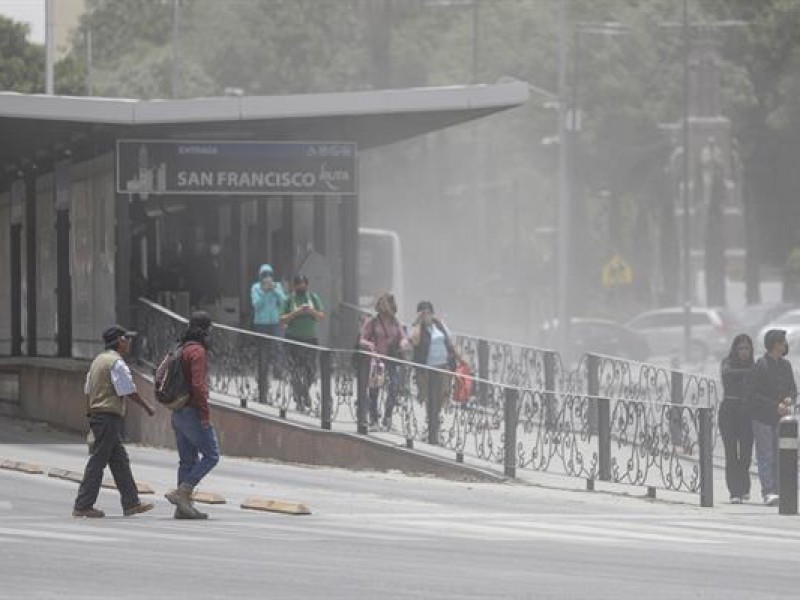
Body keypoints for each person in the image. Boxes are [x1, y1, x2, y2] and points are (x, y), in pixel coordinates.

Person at [73, 325, 156, 518]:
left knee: (119, 460)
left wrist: (91, 415)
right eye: (127, 339)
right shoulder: (115, 363)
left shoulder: (98, 361)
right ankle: (83, 505)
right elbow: (127, 389)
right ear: (120, 341)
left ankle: (131, 503)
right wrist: (147, 407)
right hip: (108, 416)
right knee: (98, 461)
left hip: (100, 416)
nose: (129, 343)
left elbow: (88, 389)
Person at [165, 311, 220, 520]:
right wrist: (205, 414)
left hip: (177, 411)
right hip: (192, 412)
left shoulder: (180, 348)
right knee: (211, 455)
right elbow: (198, 385)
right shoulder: (197, 351)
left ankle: (183, 508)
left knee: (187, 460)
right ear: (205, 330)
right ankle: (183, 492)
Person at [746, 329, 797, 506]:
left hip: (781, 419)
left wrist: (790, 398)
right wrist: (775, 406)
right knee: (765, 454)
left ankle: (780, 488)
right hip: (763, 418)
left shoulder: (785, 365)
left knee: (781, 454)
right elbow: (753, 394)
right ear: (775, 344)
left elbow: (792, 388)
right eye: (782, 342)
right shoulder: (760, 365)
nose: (785, 345)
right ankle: (768, 491)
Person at [409, 301, 462, 441]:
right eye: (423, 312)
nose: (427, 315)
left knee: (441, 396)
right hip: (426, 369)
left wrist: (461, 359)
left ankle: (434, 422)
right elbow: (414, 340)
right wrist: (418, 322)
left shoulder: (439, 325)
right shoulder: (418, 328)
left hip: (443, 367)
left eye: (429, 312)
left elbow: (450, 342)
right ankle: (433, 429)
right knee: (429, 398)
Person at [359, 292, 410, 429]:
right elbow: (362, 339)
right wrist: (369, 344)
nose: (387, 313)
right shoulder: (373, 322)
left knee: (394, 386)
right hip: (377, 359)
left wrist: (404, 342)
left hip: (391, 359)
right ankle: (374, 419)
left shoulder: (395, 322)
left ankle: (387, 417)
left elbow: (403, 336)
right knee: (375, 388)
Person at [719, 334, 755, 504]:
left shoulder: (755, 365)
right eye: (741, 348)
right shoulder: (727, 362)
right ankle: (734, 491)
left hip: (747, 412)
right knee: (731, 453)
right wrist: (749, 373)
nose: (744, 352)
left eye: (747, 348)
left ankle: (744, 487)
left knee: (746, 454)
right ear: (735, 349)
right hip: (729, 411)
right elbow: (726, 374)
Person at [280, 275, 325, 411]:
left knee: (311, 370)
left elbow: (321, 316)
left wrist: (310, 311)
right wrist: (297, 312)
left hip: (310, 339)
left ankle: (304, 391)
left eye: (303, 286)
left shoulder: (313, 298)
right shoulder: (289, 300)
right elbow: (282, 319)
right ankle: (299, 397)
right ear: (294, 287)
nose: (301, 289)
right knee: (295, 370)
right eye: (299, 286)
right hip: (293, 339)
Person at [250, 264, 287, 401]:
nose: (267, 278)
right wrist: (265, 293)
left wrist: (275, 290)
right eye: (264, 275)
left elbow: (284, 301)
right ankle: (262, 389)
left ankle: (278, 371)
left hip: (275, 324)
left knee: (278, 347)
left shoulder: (276, 286)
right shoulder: (255, 288)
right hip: (261, 325)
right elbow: (256, 305)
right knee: (263, 357)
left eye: (269, 274)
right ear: (260, 277)